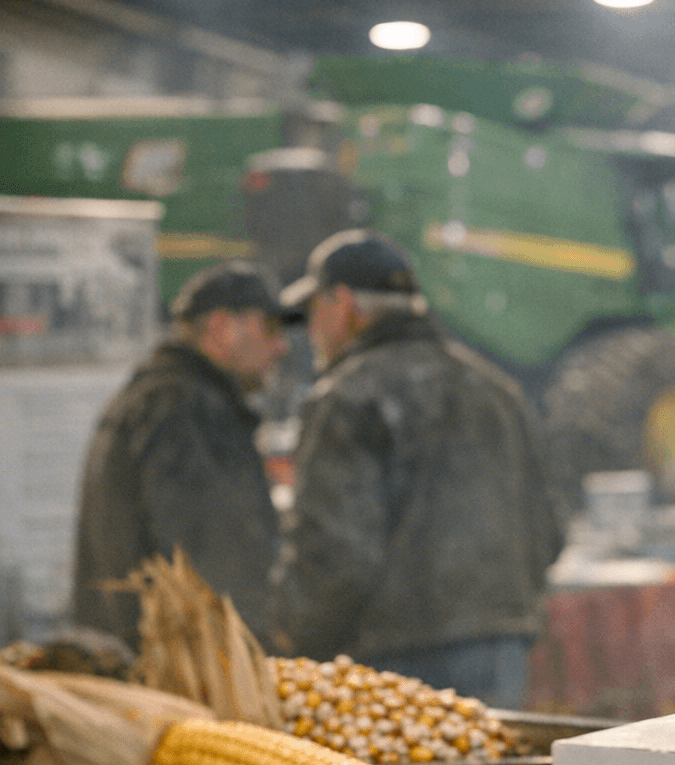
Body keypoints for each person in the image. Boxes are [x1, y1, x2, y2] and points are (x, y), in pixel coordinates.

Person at [273, 229, 563, 710]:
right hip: (501, 651)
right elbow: (549, 533)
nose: (310, 331)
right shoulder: (497, 390)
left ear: (342, 305)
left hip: (396, 660)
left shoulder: (346, 397)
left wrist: (287, 643)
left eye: (312, 314)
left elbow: (335, 559)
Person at [73, 261, 288, 647]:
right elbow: (215, 561)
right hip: (178, 668)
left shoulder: (153, 396)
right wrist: (255, 653)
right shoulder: (188, 409)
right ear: (221, 326)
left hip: (137, 657)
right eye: (269, 328)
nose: (281, 346)